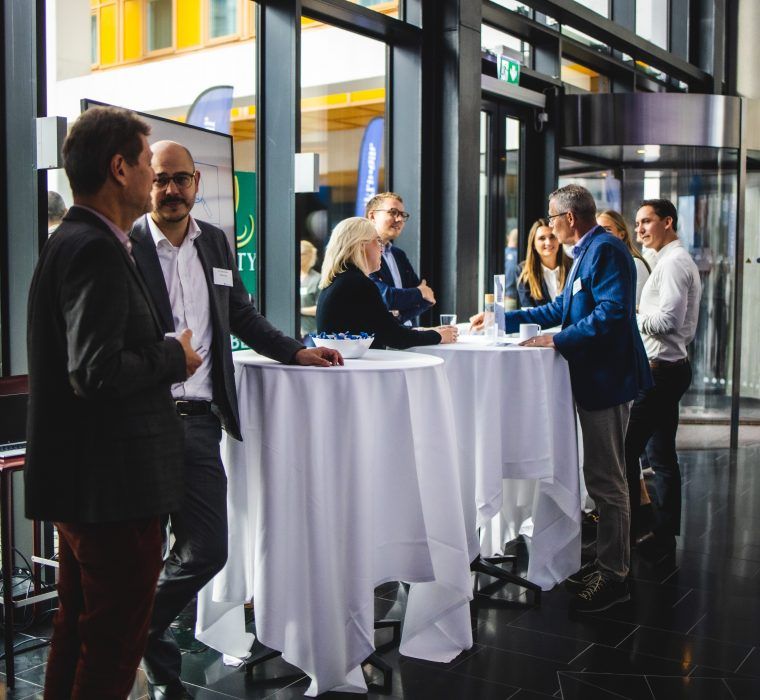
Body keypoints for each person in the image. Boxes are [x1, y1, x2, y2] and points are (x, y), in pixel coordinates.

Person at [130, 140, 342, 700]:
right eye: (160, 179)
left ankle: (129, 630)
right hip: (139, 425)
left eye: (181, 179)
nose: (171, 190)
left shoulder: (216, 242)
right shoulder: (125, 247)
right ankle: (162, 675)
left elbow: (241, 315)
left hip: (200, 421)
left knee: (208, 549)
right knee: (141, 556)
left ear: (196, 183)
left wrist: (296, 350)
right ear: (145, 183)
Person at [25, 106, 202, 700]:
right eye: (149, 163)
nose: (155, 176)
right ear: (120, 168)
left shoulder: (71, 241)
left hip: (87, 485)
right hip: (113, 490)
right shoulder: (94, 249)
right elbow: (95, 372)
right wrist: (172, 356)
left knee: (78, 632)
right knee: (112, 649)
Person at [503, 185, 652, 612]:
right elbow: (562, 310)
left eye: (552, 218)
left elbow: (611, 313)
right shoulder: (587, 251)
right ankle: (607, 563)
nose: (549, 227)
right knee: (602, 476)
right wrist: (505, 318)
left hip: (608, 379)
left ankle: (614, 576)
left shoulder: (605, 249)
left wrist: (558, 340)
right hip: (597, 379)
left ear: (569, 218)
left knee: (609, 480)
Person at [624, 199, 701, 554]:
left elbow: (668, 322)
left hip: (661, 373)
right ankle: (663, 534)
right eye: (637, 223)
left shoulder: (673, 263)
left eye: (646, 222)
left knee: (625, 452)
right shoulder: (667, 260)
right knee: (662, 455)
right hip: (669, 369)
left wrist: (632, 315)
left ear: (667, 222)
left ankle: (625, 533)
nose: (638, 229)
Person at [317, 217, 457, 349]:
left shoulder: (339, 280)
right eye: (377, 241)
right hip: (359, 365)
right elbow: (394, 337)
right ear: (361, 245)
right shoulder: (358, 284)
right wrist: (438, 336)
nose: (381, 248)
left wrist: (425, 331)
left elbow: (384, 327)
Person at [365, 192, 435, 324]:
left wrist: (397, 313)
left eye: (402, 215)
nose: (399, 219)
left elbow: (427, 299)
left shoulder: (398, 254)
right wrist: (419, 293)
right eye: (393, 212)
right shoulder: (362, 253)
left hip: (404, 331)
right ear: (372, 216)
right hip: (379, 336)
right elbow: (384, 297)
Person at [597, 209, 651, 307]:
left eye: (607, 229)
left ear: (621, 234)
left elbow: (636, 307)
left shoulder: (635, 264)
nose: (601, 235)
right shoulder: (602, 265)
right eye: (598, 231)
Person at [516, 218, 573, 308]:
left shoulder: (573, 265)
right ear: (533, 244)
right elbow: (528, 308)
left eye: (552, 236)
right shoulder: (524, 271)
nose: (548, 242)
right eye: (542, 238)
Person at [300, 239, 321, 339]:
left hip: (310, 333)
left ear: (309, 255)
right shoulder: (290, 278)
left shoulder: (317, 279)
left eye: (301, 254)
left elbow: (320, 309)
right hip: (290, 332)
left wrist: (299, 310)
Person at [504, 227, 520, 310]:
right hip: (515, 298)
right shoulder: (520, 256)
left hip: (504, 298)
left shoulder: (503, 254)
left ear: (508, 237)